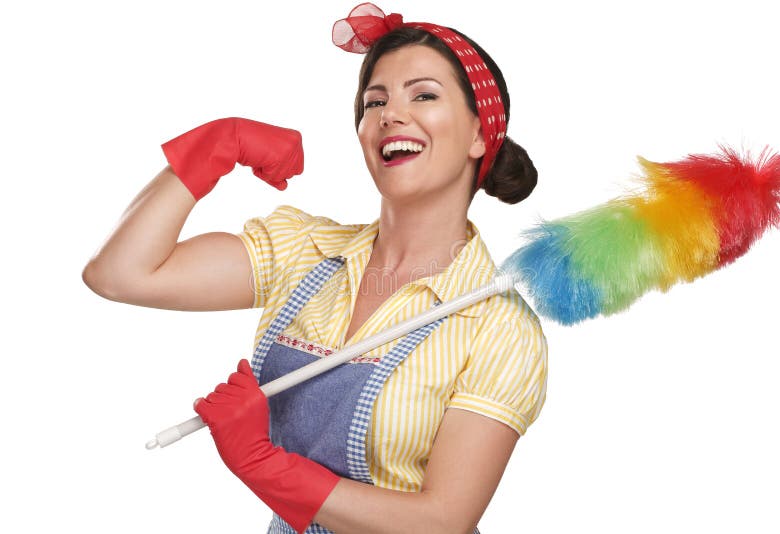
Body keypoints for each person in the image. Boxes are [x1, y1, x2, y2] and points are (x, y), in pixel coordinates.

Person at [82, 4, 547, 533]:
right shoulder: (305, 251)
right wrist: (214, 146)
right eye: (376, 101)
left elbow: (441, 522)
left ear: (480, 135)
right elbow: (119, 275)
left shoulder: (499, 326)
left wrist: (264, 465)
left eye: (423, 94)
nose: (390, 114)